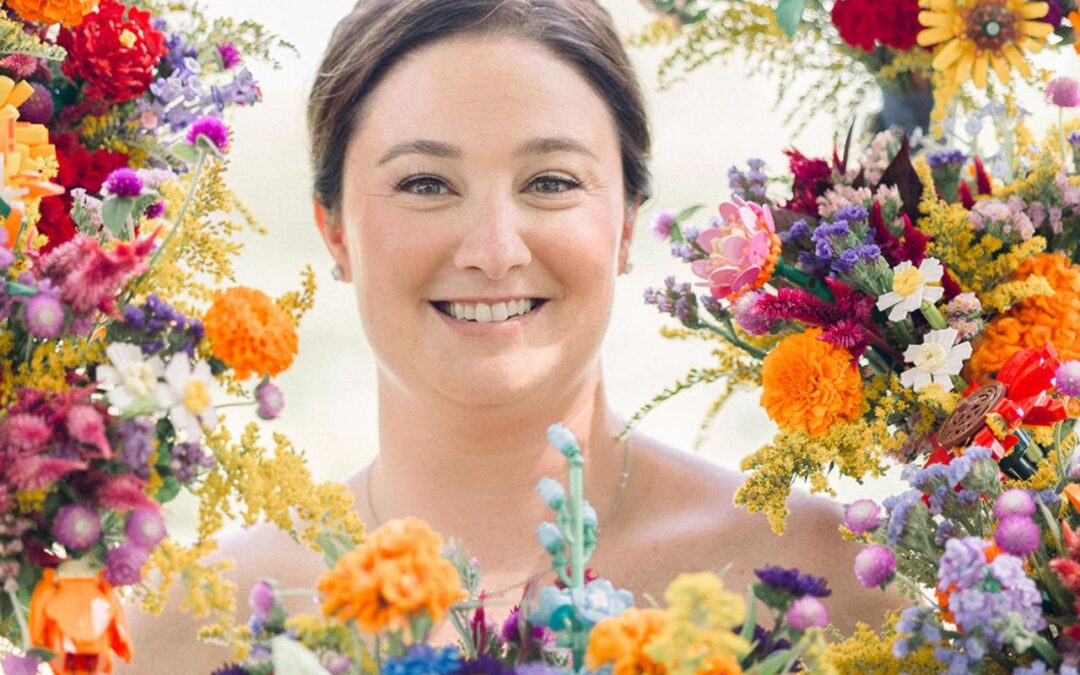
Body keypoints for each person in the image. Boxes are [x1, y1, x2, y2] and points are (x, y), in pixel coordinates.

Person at [124, 0, 901, 670]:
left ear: (627, 223)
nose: (494, 250)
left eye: (551, 182)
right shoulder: (189, 623)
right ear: (333, 231)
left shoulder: (829, 580)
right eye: (426, 184)